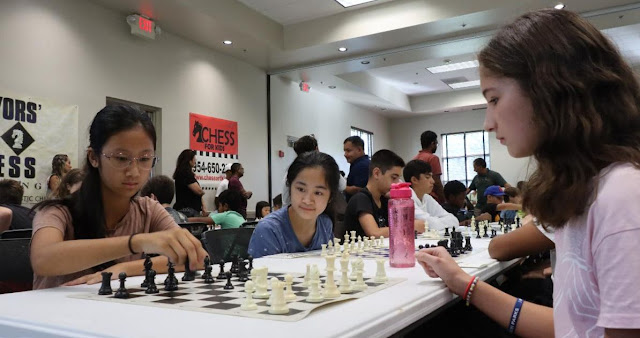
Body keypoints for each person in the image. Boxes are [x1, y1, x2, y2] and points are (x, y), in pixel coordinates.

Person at [416, 9, 640, 337]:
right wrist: (462, 282)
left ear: (548, 90)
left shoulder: (621, 195)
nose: (488, 123)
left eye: (494, 99)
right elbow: (571, 326)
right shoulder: (585, 191)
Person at [30, 105, 208, 290]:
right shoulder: (57, 212)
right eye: (121, 159)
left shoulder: (148, 209)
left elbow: (197, 258)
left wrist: (124, 268)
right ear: (93, 157)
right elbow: (43, 259)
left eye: (145, 159)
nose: (134, 171)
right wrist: (137, 242)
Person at [248, 152, 338, 258]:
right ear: (289, 187)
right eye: (301, 189)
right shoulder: (269, 230)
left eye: (318, 193)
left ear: (330, 196)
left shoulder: (325, 224)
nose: (307, 200)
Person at [343, 149, 422, 238]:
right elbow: (374, 233)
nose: (397, 183)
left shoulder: (384, 200)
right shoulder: (360, 199)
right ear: (377, 173)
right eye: (393, 178)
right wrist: (409, 226)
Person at [282, 135, 346, 206]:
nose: (307, 201)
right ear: (316, 149)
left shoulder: (291, 171)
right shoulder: (326, 167)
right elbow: (342, 185)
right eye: (301, 189)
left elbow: (285, 200)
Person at [403, 160, 458, 231]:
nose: (433, 181)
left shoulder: (426, 197)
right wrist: (437, 222)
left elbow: (454, 220)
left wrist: (434, 222)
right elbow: (427, 224)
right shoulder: (405, 199)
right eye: (427, 177)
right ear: (414, 180)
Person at [412, 131, 445, 203]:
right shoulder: (433, 158)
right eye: (436, 143)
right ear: (432, 143)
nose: (436, 146)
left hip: (418, 197)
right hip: (432, 198)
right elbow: (437, 181)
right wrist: (444, 200)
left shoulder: (415, 159)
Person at [172, 149, 206, 217]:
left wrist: (203, 205)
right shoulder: (185, 174)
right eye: (194, 159)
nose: (195, 161)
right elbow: (199, 191)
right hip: (188, 210)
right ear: (189, 161)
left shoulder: (184, 174)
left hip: (189, 209)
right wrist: (202, 192)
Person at [343, 136, 370, 201]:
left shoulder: (361, 166)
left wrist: (340, 186)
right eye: (344, 151)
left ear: (359, 150)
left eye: (348, 151)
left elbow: (358, 190)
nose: (345, 154)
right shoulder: (361, 163)